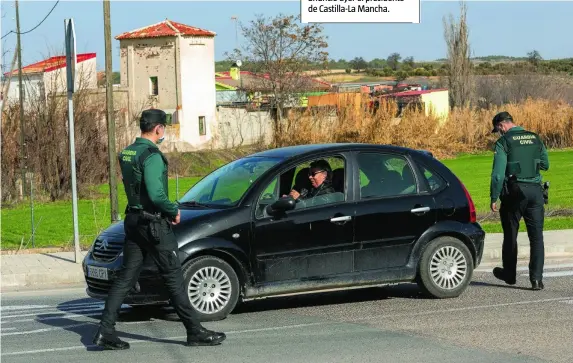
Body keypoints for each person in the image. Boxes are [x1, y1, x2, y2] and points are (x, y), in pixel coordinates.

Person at [93, 109, 226, 350]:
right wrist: (172, 209)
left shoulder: (128, 152)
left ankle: (105, 331)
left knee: (125, 278)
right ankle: (195, 332)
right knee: (174, 278)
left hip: (133, 220)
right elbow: (156, 193)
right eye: (164, 128)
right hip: (153, 223)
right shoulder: (152, 155)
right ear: (158, 129)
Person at [489, 111, 549, 291]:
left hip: (514, 193)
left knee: (510, 234)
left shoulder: (504, 142)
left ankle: (510, 275)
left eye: (497, 130)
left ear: (501, 126)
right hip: (536, 192)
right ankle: (536, 280)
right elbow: (546, 164)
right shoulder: (534, 137)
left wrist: (494, 197)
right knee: (537, 237)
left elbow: (498, 175)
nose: (498, 133)